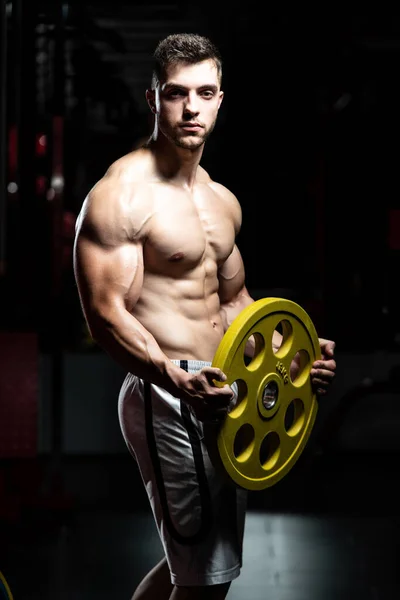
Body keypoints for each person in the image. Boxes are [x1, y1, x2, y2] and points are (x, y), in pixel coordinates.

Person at [73, 32, 336, 600]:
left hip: (221, 392)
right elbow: (104, 314)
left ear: (220, 99)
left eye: (205, 92)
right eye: (176, 93)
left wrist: (298, 358)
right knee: (204, 580)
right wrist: (173, 377)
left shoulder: (220, 200)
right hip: (168, 390)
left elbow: (236, 306)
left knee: (196, 570)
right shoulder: (121, 195)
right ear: (153, 99)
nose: (191, 107)